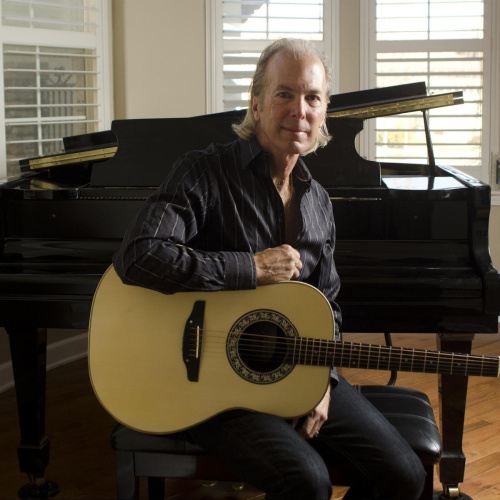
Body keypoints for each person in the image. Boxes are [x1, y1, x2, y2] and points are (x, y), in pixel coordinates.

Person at [113, 38, 426, 500]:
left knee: (406, 476)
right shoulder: (204, 171)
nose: (300, 110)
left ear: (324, 113)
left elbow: (329, 308)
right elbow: (139, 255)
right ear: (256, 104)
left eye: (312, 97)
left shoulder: (319, 202)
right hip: (206, 383)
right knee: (307, 481)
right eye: (285, 94)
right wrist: (251, 267)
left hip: (294, 369)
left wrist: (324, 382)